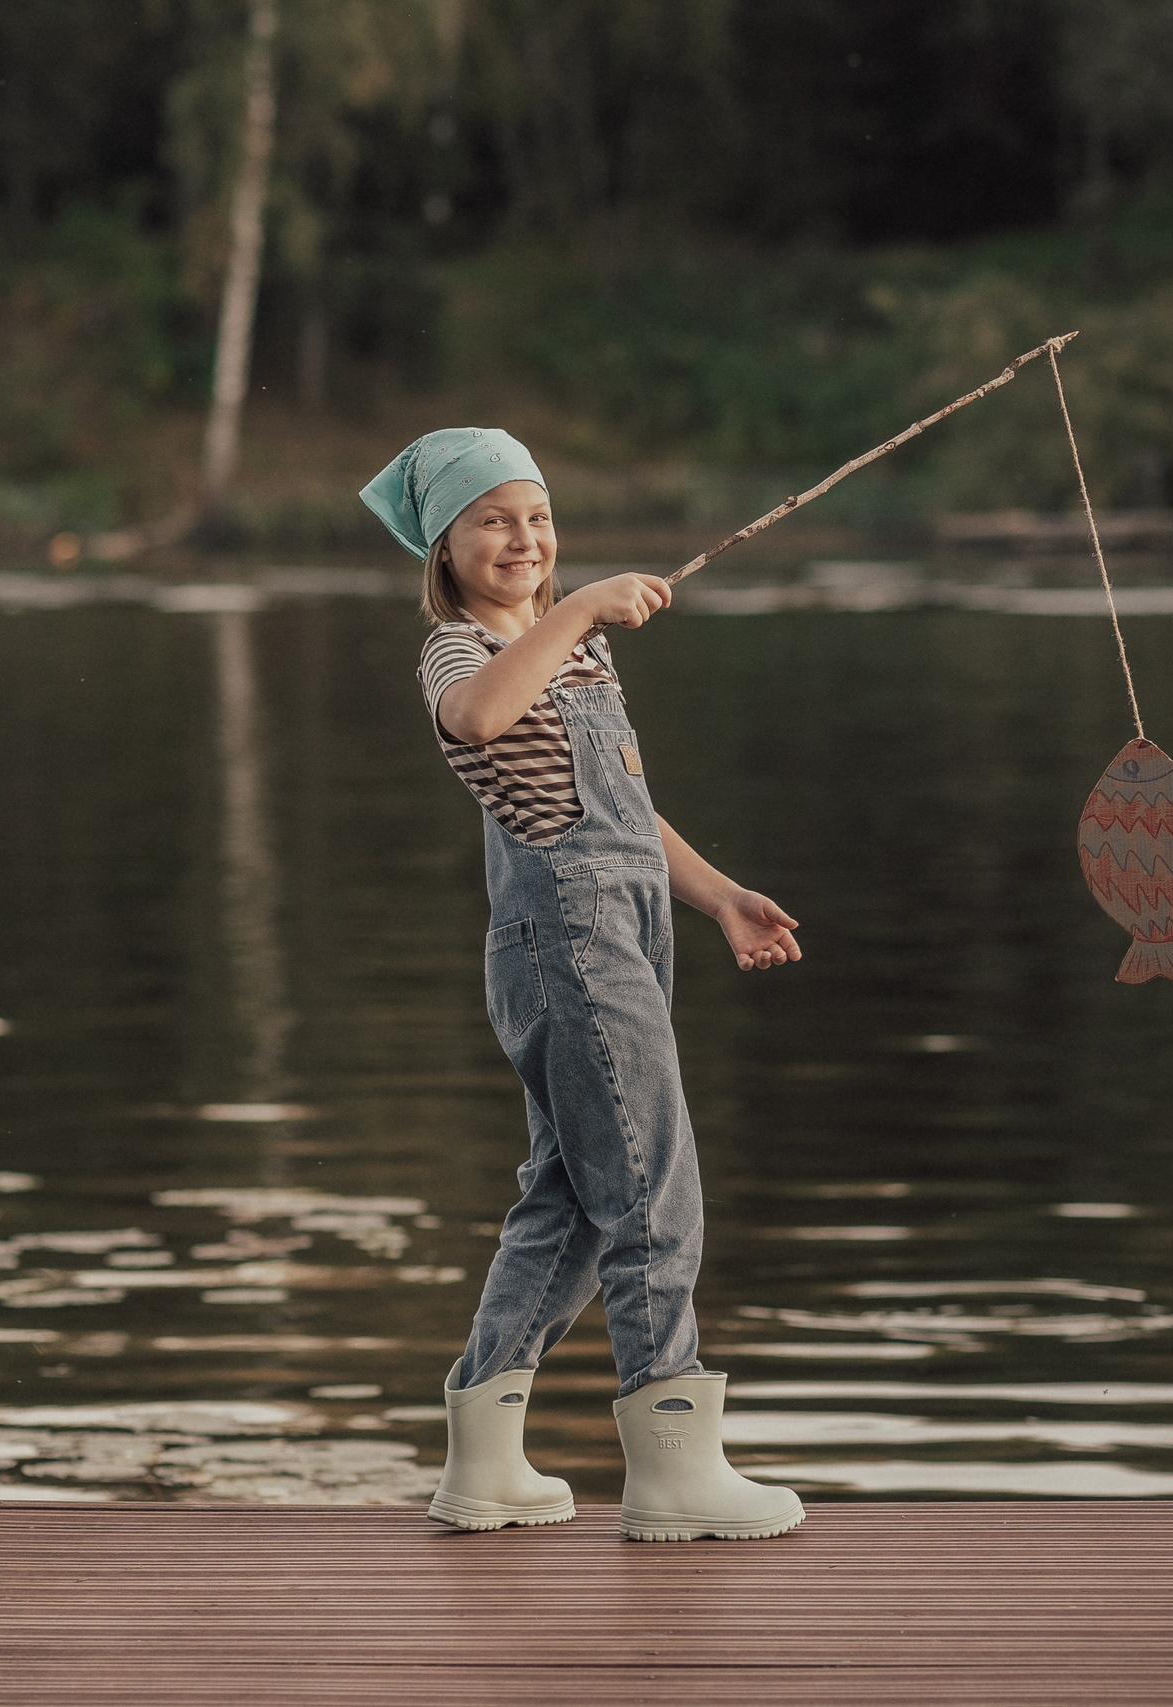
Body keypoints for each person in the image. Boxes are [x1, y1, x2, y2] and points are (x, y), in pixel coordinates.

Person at [361, 427, 807, 1543]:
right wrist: (576, 611)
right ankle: (671, 1471)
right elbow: (476, 720)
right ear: (445, 549)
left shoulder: (574, 655)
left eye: (538, 516)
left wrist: (717, 897)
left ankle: (486, 1460)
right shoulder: (458, 652)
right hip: (568, 939)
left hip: (627, 929)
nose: (524, 538)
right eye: (493, 520)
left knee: (568, 1196)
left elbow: (626, 811)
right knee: (653, 1186)